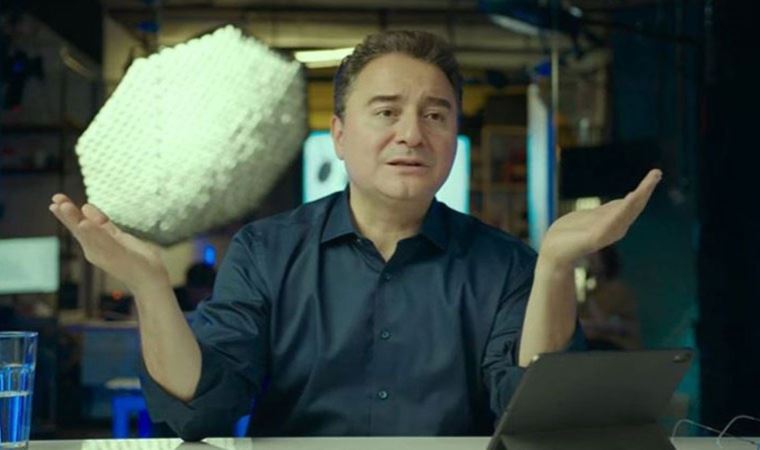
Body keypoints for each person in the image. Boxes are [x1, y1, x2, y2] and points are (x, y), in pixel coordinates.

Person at [48, 30, 662, 440]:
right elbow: (203, 407)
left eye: (435, 115)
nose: (412, 134)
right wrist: (151, 288)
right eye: (387, 111)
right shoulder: (266, 252)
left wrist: (554, 266)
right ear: (339, 135)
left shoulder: (506, 265)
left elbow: (536, 421)